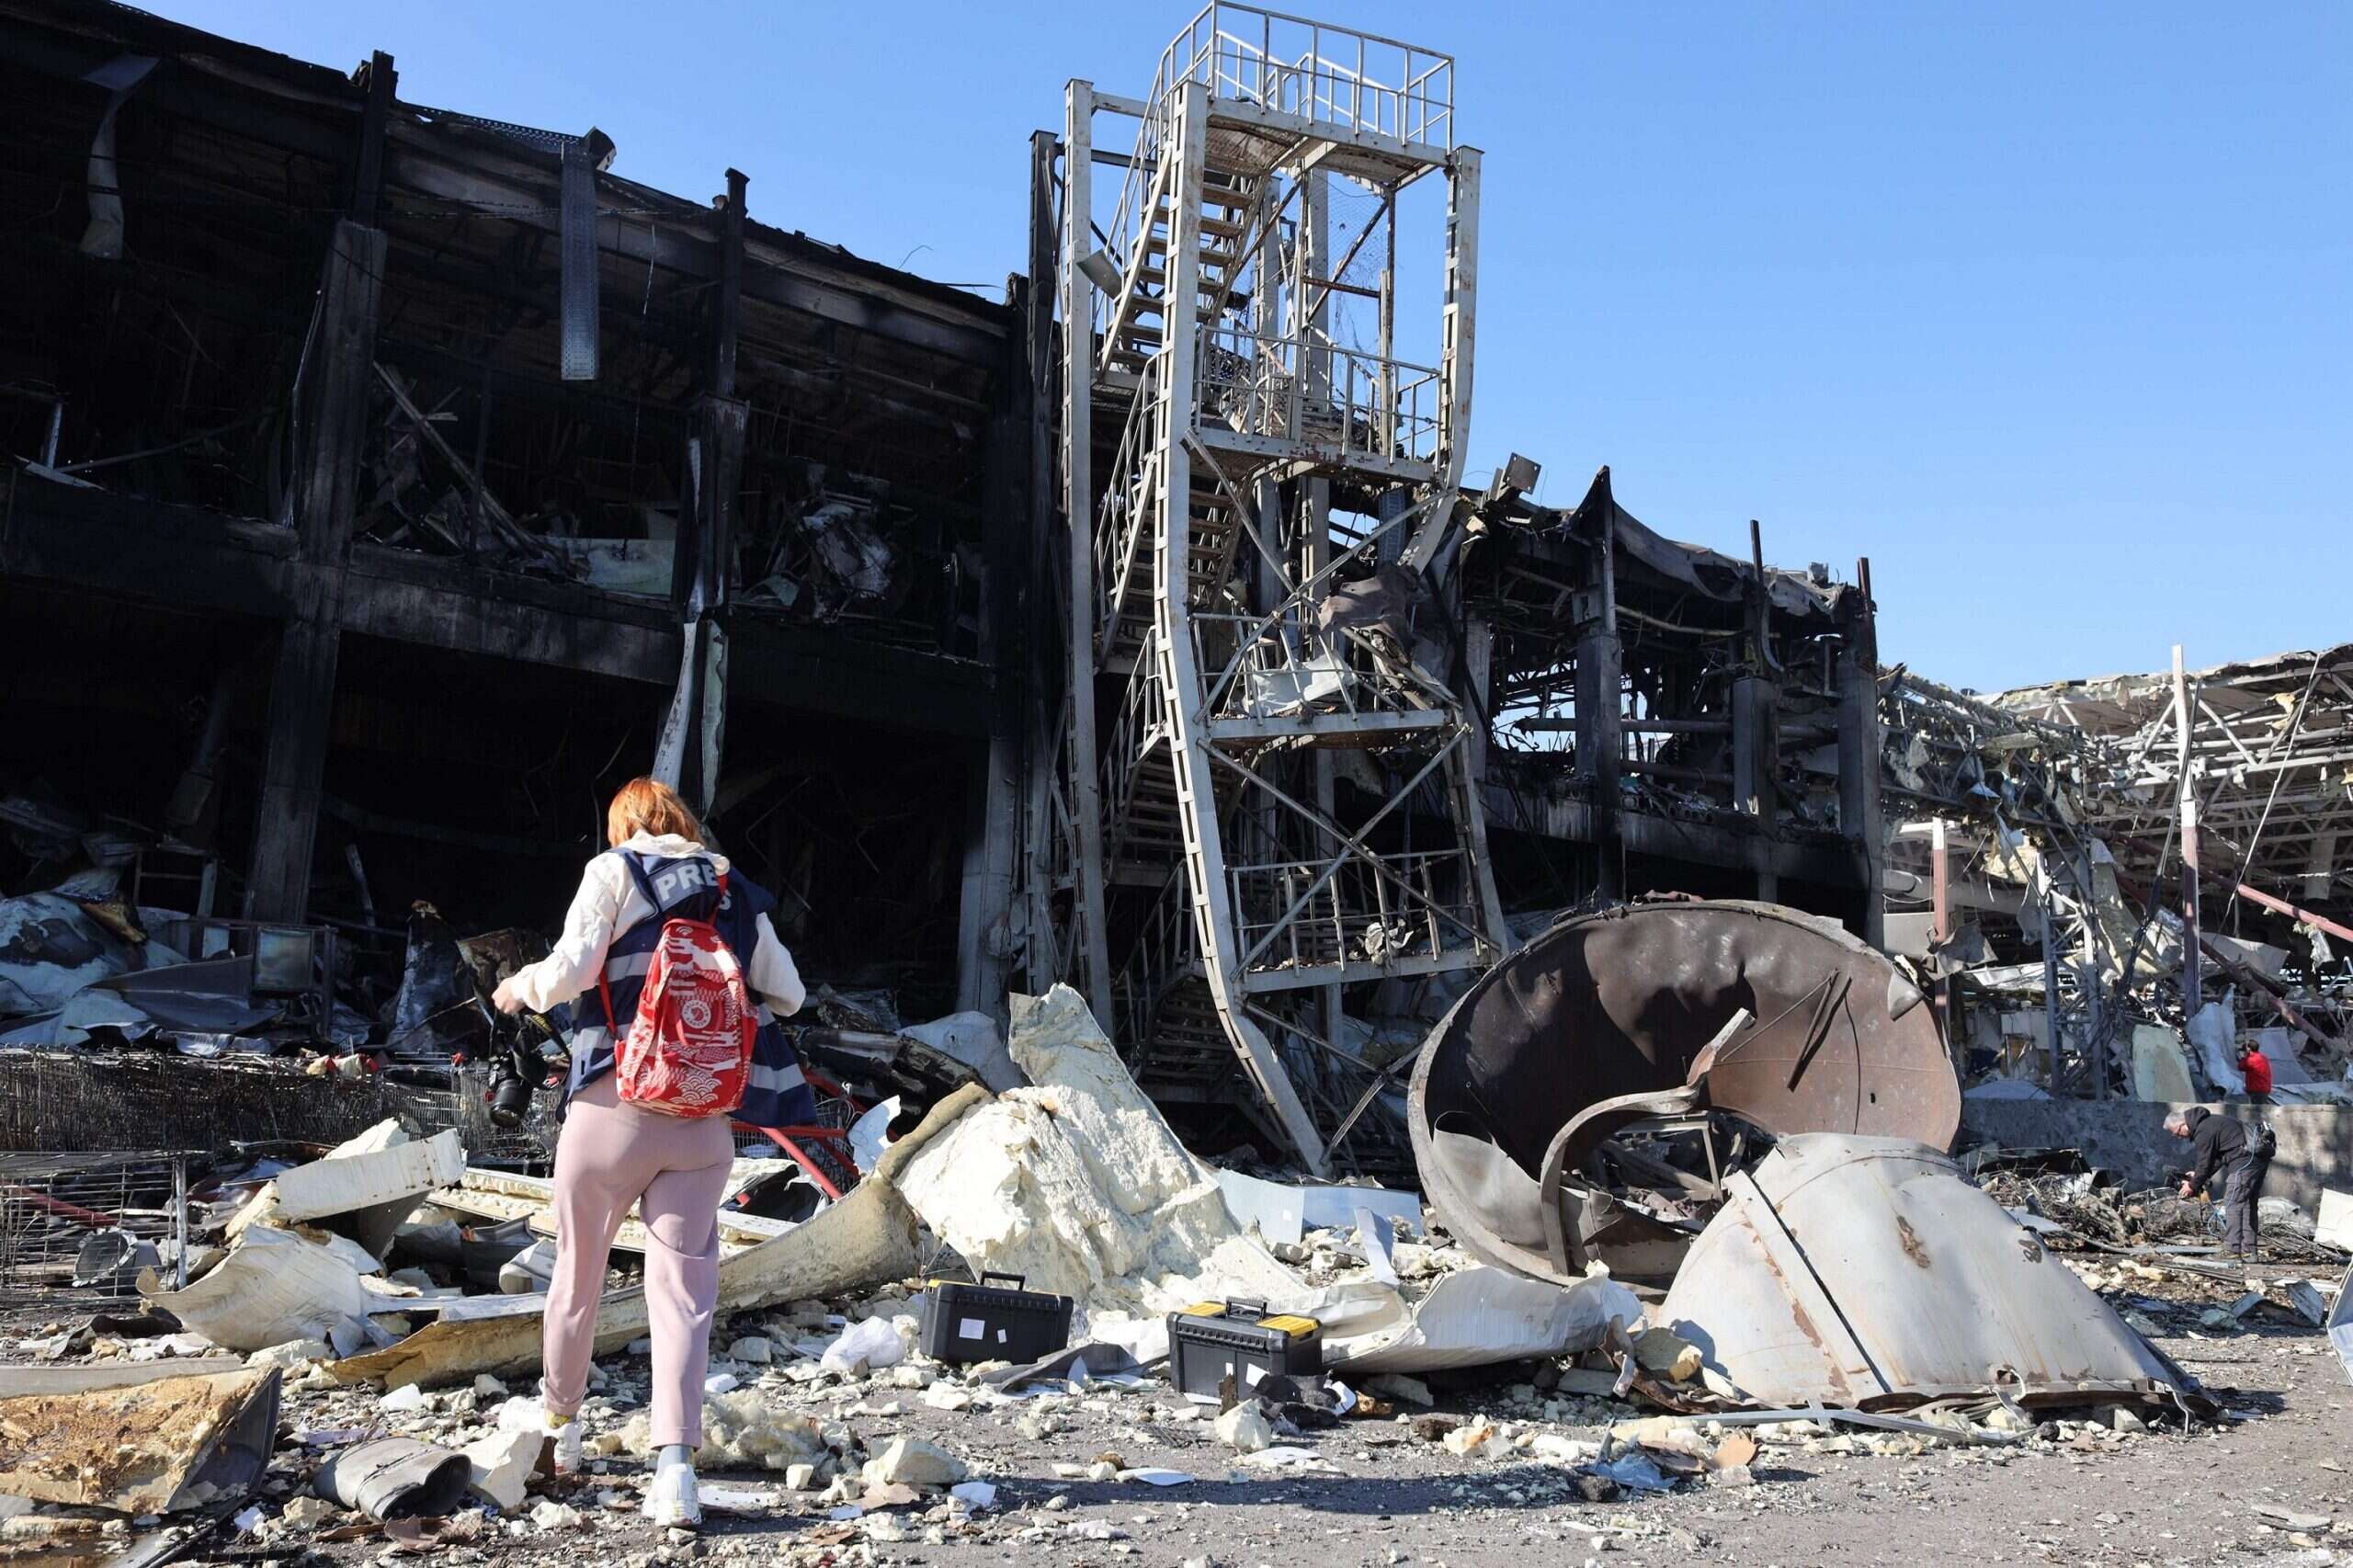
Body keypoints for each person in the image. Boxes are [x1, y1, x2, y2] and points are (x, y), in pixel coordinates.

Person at [490, 777, 811, 1528]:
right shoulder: (732, 888)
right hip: (702, 1121)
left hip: (614, 1108)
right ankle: (675, 1473)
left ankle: (561, 1429)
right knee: (685, 1297)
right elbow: (790, 994)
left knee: (577, 1276)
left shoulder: (614, 870)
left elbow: (570, 972)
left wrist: (517, 989)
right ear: (683, 824)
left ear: (624, 826)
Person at [2165, 1105, 2263, 1265]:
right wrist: (2199, 1176)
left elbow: (2204, 1161)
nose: (2178, 1137)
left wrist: (2192, 1186)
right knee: (2247, 1205)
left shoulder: (2203, 1130)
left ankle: (2232, 1250)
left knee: (2232, 1202)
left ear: (2183, 1124)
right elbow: (2217, 1158)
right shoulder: (2211, 1123)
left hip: (2244, 1162)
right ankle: (2249, 1252)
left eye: (2177, 1132)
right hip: (2256, 1160)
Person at [2237, 1041, 2275, 1105]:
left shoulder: (2251, 1060)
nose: (2244, 1052)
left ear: (2249, 1049)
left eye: (2244, 1050)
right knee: (2260, 1108)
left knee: (2256, 1110)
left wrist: (2244, 1057)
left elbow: (2241, 1067)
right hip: (2264, 1089)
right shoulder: (2263, 1058)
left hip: (2256, 1090)